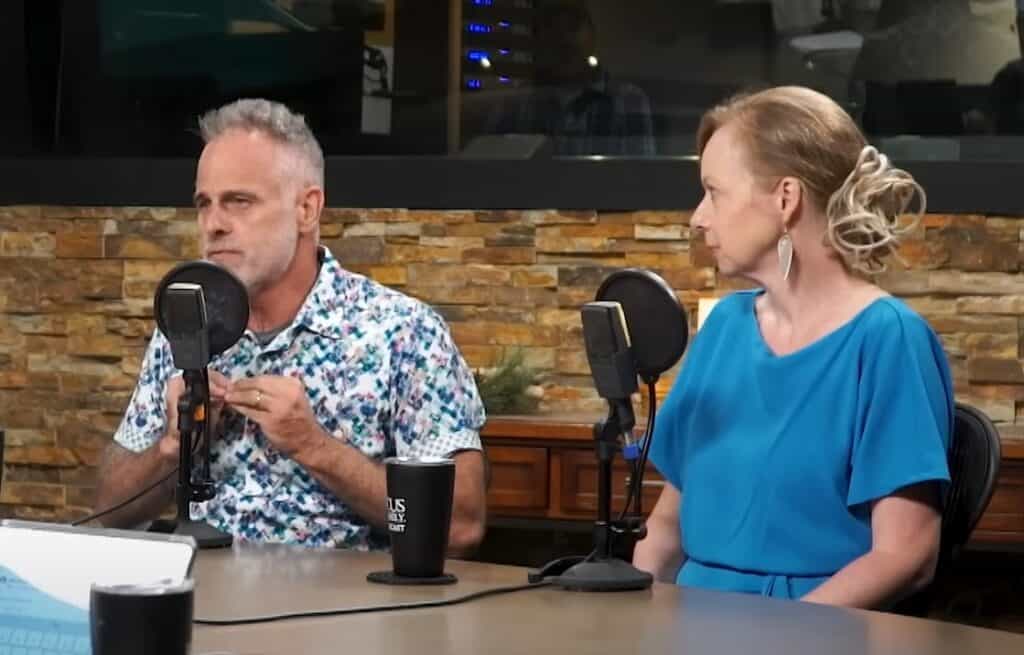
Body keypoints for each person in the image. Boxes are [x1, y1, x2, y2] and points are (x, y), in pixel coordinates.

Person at [94, 98, 488, 553]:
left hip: (344, 614)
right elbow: (107, 510)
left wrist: (314, 446)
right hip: (204, 606)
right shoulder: (187, 327)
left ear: (307, 209)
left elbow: (461, 526)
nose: (214, 225)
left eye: (239, 202)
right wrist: (172, 446)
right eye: (204, 204)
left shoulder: (402, 334)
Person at [632, 86, 954, 609]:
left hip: (815, 632)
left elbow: (906, 555)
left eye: (714, 192)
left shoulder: (887, 339)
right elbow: (667, 528)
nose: (698, 217)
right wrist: (624, 621)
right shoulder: (724, 330)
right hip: (686, 626)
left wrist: (786, 636)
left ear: (786, 199)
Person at [482, 1, 655, 156]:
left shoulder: (628, 100)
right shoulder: (512, 105)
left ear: (592, 38)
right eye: (552, 27)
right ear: (538, 42)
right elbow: (491, 177)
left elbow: (638, 181)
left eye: (572, 26)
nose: (564, 37)